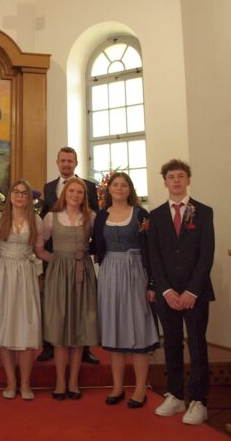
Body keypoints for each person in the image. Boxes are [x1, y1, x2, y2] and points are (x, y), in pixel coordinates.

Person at [149, 159, 214, 425]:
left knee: (197, 345)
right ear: (165, 182)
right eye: (171, 177)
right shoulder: (155, 216)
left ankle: (198, 400)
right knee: (172, 344)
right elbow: (154, 256)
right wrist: (165, 290)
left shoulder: (203, 212)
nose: (176, 180)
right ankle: (175, 395)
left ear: (188, 180)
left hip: (195, 293)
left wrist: (192, 290)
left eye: (180, 176)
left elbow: (206, 254)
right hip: (168, 294)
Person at [92, 172, 159, 408]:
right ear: (108, 189)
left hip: (135, 272)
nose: (119, 188)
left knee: (138, 327)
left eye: (124, 185)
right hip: (110, 273)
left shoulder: (140, 214)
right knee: (114, 328)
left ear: (130, 189)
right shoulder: (102, 216)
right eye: (116, 185)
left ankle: (140, 388)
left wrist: (151, 283)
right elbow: (95, 245)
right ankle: (118, 386)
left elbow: (151, 249)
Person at [36, 178, 99, 400]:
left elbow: (99, 244)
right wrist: (55, 261)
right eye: (71, 190)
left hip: (82, 273)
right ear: (64, 193)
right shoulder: (51, 217)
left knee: (79, 326)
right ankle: (60, 381)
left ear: (84, 196)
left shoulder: (91, 217)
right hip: (59, 275)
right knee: (60, 328)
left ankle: (73, 382)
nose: (75, 195)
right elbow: (38, 247)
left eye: (79, 192)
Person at [0, 180, 42, 400]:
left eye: (24, 193)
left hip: (26, 274)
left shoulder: (36, 220)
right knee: (6, 326)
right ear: (10, 196)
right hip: (4, 274)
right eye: (16, 192)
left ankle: (26, 383)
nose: (19, 196)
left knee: (28, 326)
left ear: (29, 198)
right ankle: (11, 382)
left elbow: (39, 250)